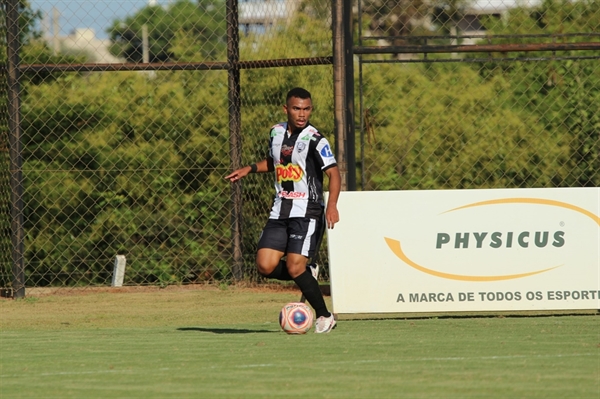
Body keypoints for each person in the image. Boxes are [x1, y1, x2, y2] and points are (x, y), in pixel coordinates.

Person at [225, 87, 341, 333]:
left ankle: (324, 315)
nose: (302, 114)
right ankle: (306, 273)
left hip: (307, 211)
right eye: (297, 109)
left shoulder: (316, 139)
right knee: (265, 266)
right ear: (286, 109)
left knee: (294, 266)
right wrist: (250, 168)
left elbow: (333, 173)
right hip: (280, 210)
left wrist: (331, 206)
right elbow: (277, 161)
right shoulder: (276, 132)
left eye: (307, 109)